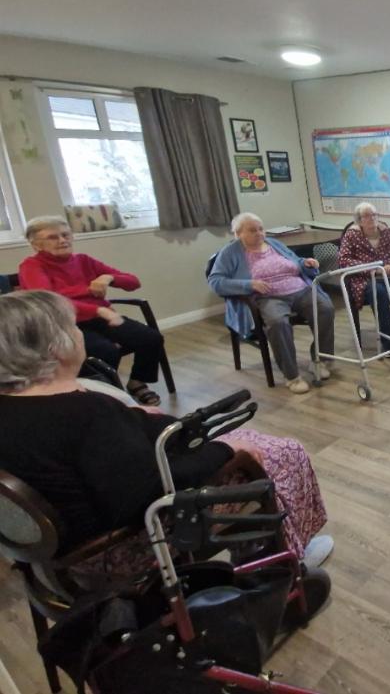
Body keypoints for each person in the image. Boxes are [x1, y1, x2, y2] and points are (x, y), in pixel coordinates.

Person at [0, 290, 332, 576]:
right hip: (117, 550)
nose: (80, 333)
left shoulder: (28, 406)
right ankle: (283, 563)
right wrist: (228, 450)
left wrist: (132, 417)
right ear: (56, 349)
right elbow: (148, 491)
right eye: (74, 326)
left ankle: (261, 548)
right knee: (279, 453)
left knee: (246, 444)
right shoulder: (86, 413)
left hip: (53, 555)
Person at [18, 216, 166, 406]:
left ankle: (136, 382)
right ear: (36, 245)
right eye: (53, 237)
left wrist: (109, 277)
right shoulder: (31, 266)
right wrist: (96, 308)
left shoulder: (83, 260)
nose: (62, 240)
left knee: (150, 338)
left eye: (65, 235)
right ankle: (107, 397)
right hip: (62, 324)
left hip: (98, 317)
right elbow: (51, 302)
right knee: (105, 351)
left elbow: (133, 282)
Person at [208, 213, 335, 394]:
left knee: (325, 308)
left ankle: (320, 360)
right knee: (277, 322)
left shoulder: (274, 243)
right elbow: (216, 282)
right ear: (238, 233)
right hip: (268, 296)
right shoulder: (230, 252)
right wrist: (249, 284)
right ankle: (292, 376)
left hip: (300, 289)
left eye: (261, 229)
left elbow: (294, 262)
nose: (259, 233)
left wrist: (305, 263)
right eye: (252, 230)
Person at [338, 202, 390, 353]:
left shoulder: (389, 232)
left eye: (374, 214)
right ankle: (389, 344)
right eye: (367, 216)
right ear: (359, 220)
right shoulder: (352, 235)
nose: (372, 218)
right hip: (366, 279)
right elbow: (344, 260)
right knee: (379, 293)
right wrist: (373, 269)